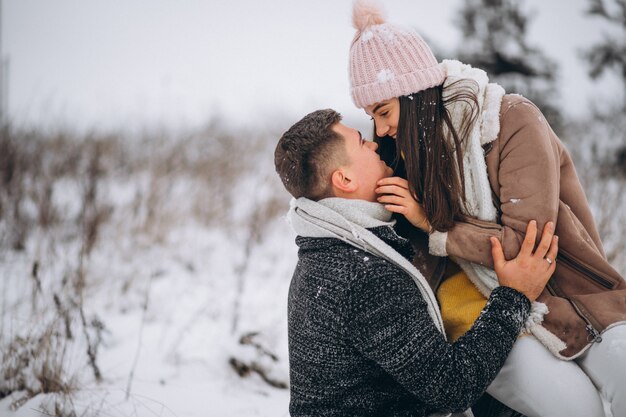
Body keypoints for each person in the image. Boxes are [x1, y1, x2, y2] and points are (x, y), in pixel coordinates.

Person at [346, 1, 626, 416]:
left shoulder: (509, 120)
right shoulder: (399, 158)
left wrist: (433, 226)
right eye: (373, 116)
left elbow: (527, 244)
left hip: (576, 299)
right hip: (478, 317)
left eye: (383, 111)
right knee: (578, 409)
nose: (381, 128)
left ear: (415, 93)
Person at [274, 108, 557, 417]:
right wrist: (515, 295)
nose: (373, 143)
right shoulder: (365, 277)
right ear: (344, 178)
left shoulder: (322, 253)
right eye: (360, 142)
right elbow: (452, 387)